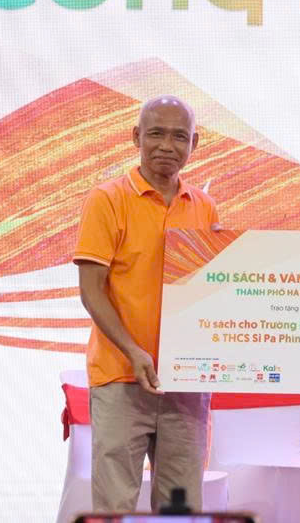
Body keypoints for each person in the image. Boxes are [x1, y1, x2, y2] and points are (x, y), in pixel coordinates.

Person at [73, 95, 220, 512]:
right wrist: (133, 351)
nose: (166, 146)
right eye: (156, 134)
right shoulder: (107, 199)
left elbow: (213, 291)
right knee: (114, 506)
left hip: (186, 383)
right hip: (121, 377)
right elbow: (91, 291)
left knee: (181, 507)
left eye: (179, 137)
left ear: (195, 143)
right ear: (136, 136)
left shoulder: (204, 207)